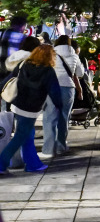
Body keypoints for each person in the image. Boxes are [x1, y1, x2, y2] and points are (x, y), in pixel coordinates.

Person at [0, 45, 62, 174]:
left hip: (18, 105)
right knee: (20, 137)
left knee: (27, 135)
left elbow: (8, 79)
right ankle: (2, 163)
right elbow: (55, 91)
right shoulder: (48, 71)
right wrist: (60, 105)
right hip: (31, 109)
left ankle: (32, 163)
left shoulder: (23, 64)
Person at [41, 35, 84, 158]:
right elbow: (80, 73)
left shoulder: (51, 53)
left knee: (49, 117)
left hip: (52, 86)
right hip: (68, 88)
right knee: (64, 117)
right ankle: (61, 146)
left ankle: (48, 149)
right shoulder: (74, 55)